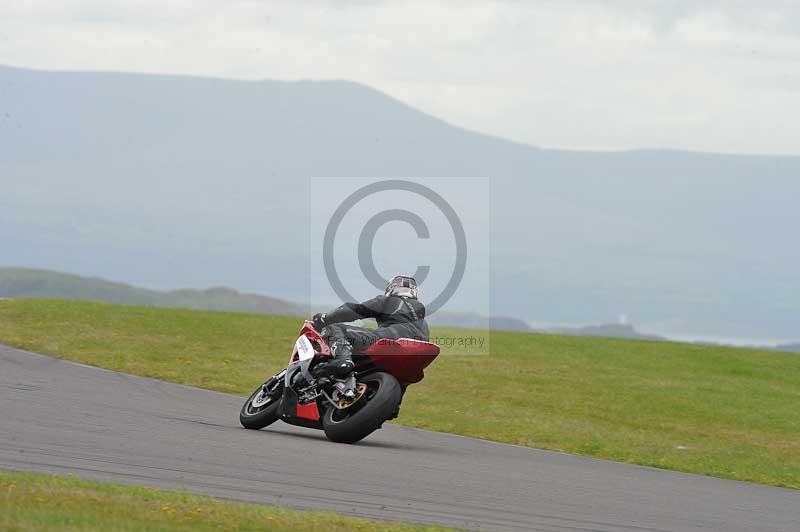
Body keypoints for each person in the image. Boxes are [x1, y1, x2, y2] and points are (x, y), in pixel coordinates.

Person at [311, 274, 429, 397]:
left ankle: (343, 361)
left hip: (390, 339)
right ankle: (393, 401)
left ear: (391, 288)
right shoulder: (423, 322)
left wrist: (326, 318)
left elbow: (356, 310)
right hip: (414, 355)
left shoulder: (391, 301)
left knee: (334, 329)